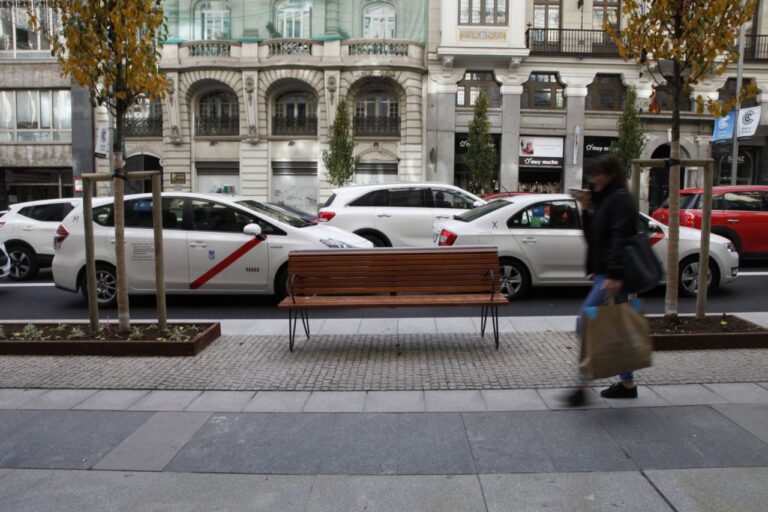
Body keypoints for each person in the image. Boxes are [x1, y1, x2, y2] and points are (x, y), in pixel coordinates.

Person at [565, 154, 639, 407]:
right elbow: (594, 239)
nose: (592, 179)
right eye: (591, 175)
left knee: (586, 322)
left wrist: (615, 275)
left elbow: (620, 237)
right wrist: (586, 210)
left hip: (613, 275)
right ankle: (627, 384)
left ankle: (581, 386)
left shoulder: (620, 199)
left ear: (610, 175)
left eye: (597, 174)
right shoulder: (605, 199)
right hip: (605, 273)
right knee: (615, 328)